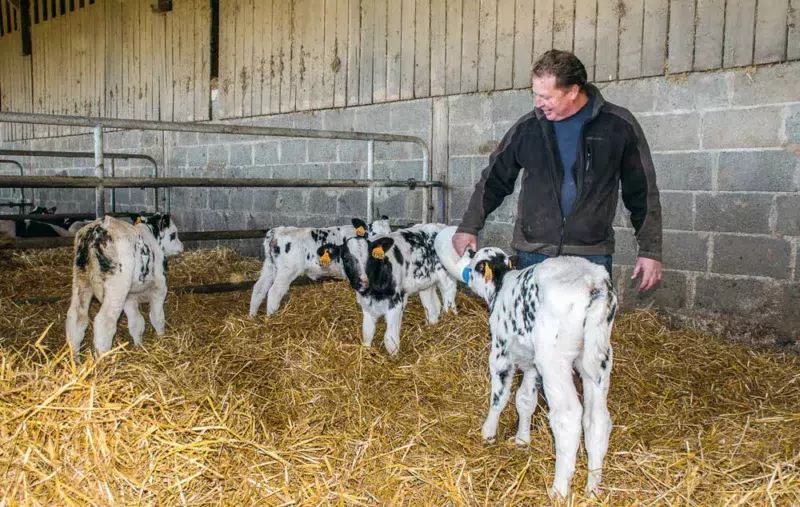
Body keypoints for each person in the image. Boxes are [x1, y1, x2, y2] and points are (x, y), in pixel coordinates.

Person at [452, 49, 662, 291]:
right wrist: (469, 226)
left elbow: (642, 191)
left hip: (589, 257)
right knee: (527, 328)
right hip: (533, 254)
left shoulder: (618, 126)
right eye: (536, 95)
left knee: (585, 329)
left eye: (547, 97)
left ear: (573, 91)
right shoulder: (528, 128)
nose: (538, 104)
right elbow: (493, 179)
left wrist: (650, 250)